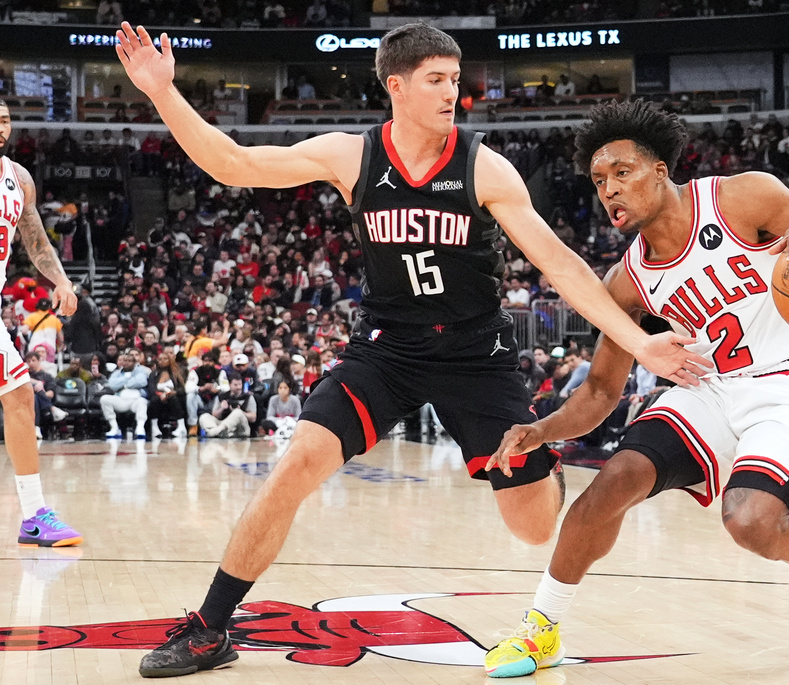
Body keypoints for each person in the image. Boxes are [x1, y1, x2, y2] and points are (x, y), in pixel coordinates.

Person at [118, 22, 701, 677]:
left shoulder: (482, 165)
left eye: (456, 80)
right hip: (390, 349)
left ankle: (548, 468)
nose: (453, 92)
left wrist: (639, 343)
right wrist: (164, 93)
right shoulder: (352, 154)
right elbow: (236, 163)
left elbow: (563, 268)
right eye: (436, 80)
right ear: (396, 85)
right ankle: (211, 627)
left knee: (534, 529)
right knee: (296, 462)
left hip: (476, 355)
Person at [482, 100, 789, 679]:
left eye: (622, 172)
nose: (610, 190)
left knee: (751, 523)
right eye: (600, 181)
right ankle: (542, 627)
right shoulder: (626, 281)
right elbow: (600, 390)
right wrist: (541, 430)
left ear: (660, 170)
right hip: (709, 389)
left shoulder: (739, 198)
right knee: (612, 482)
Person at [0, 101, 82, 546]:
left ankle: (33, 516)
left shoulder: (19, 178)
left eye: (6, 120)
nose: (1, 127)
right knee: (16, 396)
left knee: (19, 397)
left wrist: (62, 280)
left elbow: (35, 240)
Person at [101, 351, 150, 439]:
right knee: (104, 399)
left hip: (135, 400)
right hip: (121, 399)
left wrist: (124, 385)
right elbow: (112, 385)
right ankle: (114, 427)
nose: (127, 363)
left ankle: (140, 428)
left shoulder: (141, 371)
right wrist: (126, 379)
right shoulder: (117, 373)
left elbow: (142, 381)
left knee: (142, 402)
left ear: (134, 363)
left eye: (129, 361)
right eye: (125, 361)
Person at [198, 373, 256, 438]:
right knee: (204, 416)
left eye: (240, 384)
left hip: (239, 428)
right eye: (235, 385)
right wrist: (222, 408)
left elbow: (253, 418)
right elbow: (214, 415)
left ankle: (215, 432)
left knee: (237, 412)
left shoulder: (248, 397)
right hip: (222, 424)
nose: (238, 387)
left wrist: (242, 412)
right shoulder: (221, 397)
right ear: (230, 384)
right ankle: (218, 432)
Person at [148, 350, 187, 439]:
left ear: (170, 360)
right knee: (154, 400)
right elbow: (151, 388)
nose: (162, 361)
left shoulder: (177, 373)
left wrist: (174, 392)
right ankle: (154, 427)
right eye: (160, 359)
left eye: (165, 359)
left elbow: (182, 388)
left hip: (173, 396)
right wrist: (160, 394)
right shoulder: (154, 374)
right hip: (159, 397)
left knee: (174, 398)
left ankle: (181, 426)